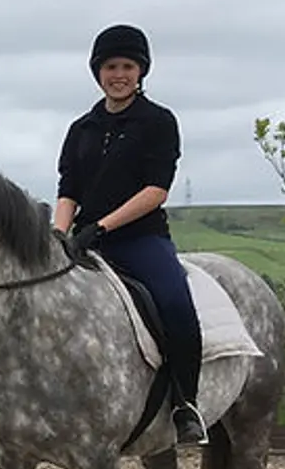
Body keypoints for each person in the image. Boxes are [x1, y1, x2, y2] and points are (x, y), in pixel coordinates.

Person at [53, 24, 208, 446]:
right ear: (97, 72)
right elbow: (68, 189)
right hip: (83, 239)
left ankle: (185, 403)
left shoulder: (158, 122)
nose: (118, 74)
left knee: (175, 301)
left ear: (141, 72)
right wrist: (57, 234)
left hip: (140, 239)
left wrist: (100, 226)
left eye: (127, 66)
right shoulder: (80, 129)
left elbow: (156, 191)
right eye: (110, 66)